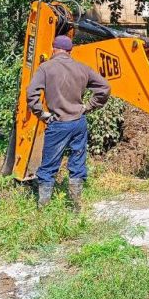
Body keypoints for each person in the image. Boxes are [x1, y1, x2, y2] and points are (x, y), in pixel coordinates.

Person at [25, 35, 110, 210]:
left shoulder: (46, 68)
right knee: (77, 163)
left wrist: (42, 114)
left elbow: (31, 93)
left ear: (53, 49)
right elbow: (104, 87)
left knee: (49, 165)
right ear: (70, 51)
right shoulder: (82, 68)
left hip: (58, 123)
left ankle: (44, 208)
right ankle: (76, 206)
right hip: (79, 123)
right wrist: (88, 107)